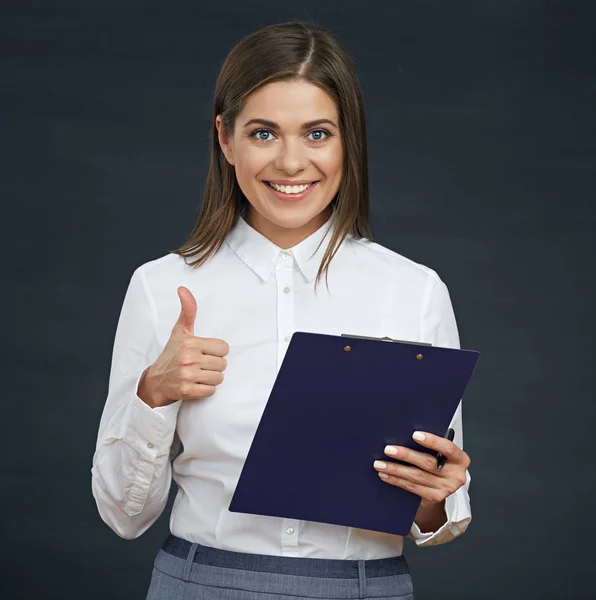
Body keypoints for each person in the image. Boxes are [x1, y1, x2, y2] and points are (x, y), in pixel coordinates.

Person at [91, 19, 472, 600]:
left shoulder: (414, 290)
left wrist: (433, 496)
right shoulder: (160, 287)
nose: (291, 163)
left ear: (350, 141)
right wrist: (154, 394)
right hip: (201, 583)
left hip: (366, 587)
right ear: (225, 139)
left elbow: (441, 522)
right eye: (264, 134)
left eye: (317, 134)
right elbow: (123, 516)